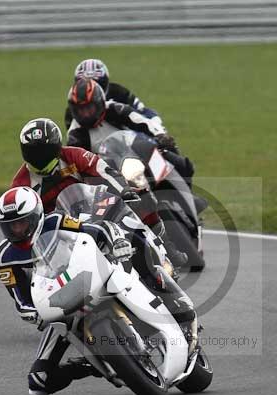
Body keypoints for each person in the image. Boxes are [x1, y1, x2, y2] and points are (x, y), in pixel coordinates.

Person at [0, 186, 200, 395]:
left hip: (89, 274)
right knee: (39, 382)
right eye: (10, 226)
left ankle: (172, 301)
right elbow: (20, 297)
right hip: (59, 303)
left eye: (21, 223)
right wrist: (31, 313)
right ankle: (91, 365)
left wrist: (117, 241)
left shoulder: (55, 221)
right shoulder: (4, 257)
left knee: (136, 260)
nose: (16, 230)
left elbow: (95, 229)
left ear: (36, 216)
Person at [15, 117, 188, 266]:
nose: (40, 158)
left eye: (44, 152)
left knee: (142, 196)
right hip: (60, 231)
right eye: (34, 153)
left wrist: (125, 190)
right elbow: (20, 223)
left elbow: (103, 170)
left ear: (56, 147)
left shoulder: (73, 156)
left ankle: (165, 246)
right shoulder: (22, 184)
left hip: (93, 207)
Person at [66, 78, 195, 183]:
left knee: (183, 166)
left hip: (140, 153)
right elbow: (77, 163)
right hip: (112, 173)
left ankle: (189, 203)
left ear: (99, 102)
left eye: (89, 108)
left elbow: (142, 122)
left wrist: (160, 135)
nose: (86, 114)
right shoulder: (75, 134)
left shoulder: (115, 109)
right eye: (80, 110)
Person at [63, 58, 160, 130]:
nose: (92, 89)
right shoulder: (73, 109)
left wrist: (157, 129)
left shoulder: (119, 92)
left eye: (97, 85)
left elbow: (143, 112)